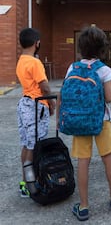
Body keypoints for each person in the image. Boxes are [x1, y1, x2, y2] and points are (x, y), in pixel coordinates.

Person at [58, 26, 111, 221]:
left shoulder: (72, 67)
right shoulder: (104, 69)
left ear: (81, 48)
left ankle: (84, 206)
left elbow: (63, 93)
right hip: (100, 120)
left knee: (83, 162)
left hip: (78, 121)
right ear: (103, 48)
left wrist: (59, 117)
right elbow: (109, 98)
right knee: (107, 157)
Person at [16, 28, 55, 198]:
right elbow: (44, 86)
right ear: (36, 43)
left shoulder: (21, 61)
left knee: (26, 143)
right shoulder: (35, 62)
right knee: (35, 145)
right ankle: (33, 183)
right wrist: (52, 103)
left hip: (25, 103)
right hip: (36, 105)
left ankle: (25, 181)